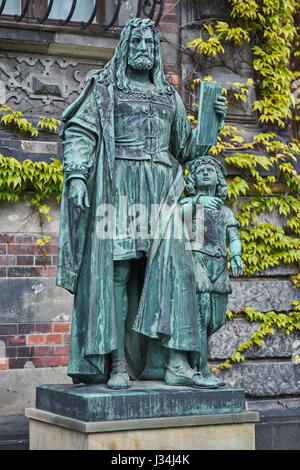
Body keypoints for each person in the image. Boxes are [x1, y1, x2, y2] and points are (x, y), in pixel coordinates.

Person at [56, 18, 227, 389]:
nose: (143, 49)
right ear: (124, 46)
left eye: (150, 44)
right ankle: (117, 363)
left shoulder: (169, 97)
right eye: (136, 42)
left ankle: (171, 363)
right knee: (117, 272)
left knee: (171, 272)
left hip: (163, 189)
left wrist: (210, 122)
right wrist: (77, 177)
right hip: (118, 186)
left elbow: (185, 149)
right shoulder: (104, 89)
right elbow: (79, 131)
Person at [180, 156, 243, 385]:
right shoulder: (189, 206)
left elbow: (233, 237)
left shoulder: (225, 212)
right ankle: (201, 368)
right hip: (199, 264)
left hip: (220, 266)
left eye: (211, 170)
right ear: (193, 180)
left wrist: (235, 254)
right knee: (201, 317)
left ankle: (196, 359)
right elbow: (182, 229)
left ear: (218, 180)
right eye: (200, 171)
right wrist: (198, 201)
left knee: (216, 320)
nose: (206, 173)